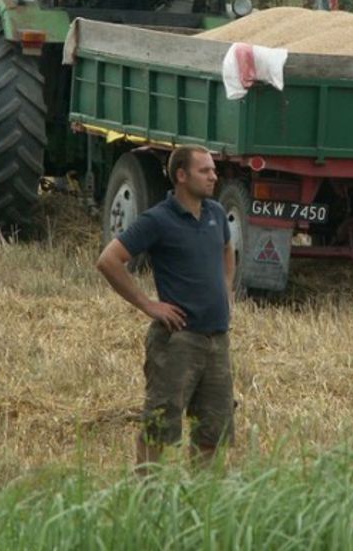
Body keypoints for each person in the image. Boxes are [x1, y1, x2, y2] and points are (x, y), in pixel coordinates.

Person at [95, 145, 236, 471]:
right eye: (205, 171)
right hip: (178, 341)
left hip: (218, 341)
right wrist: (148, 305)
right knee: (160, 426)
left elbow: (228, 249)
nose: (214, 176)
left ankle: (204, 501)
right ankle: (149, 498)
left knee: (212, 431)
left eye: (213, 170)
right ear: (181, 176)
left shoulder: (215, 213)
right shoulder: (157, 219)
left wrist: (226, 291)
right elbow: (109, 260)